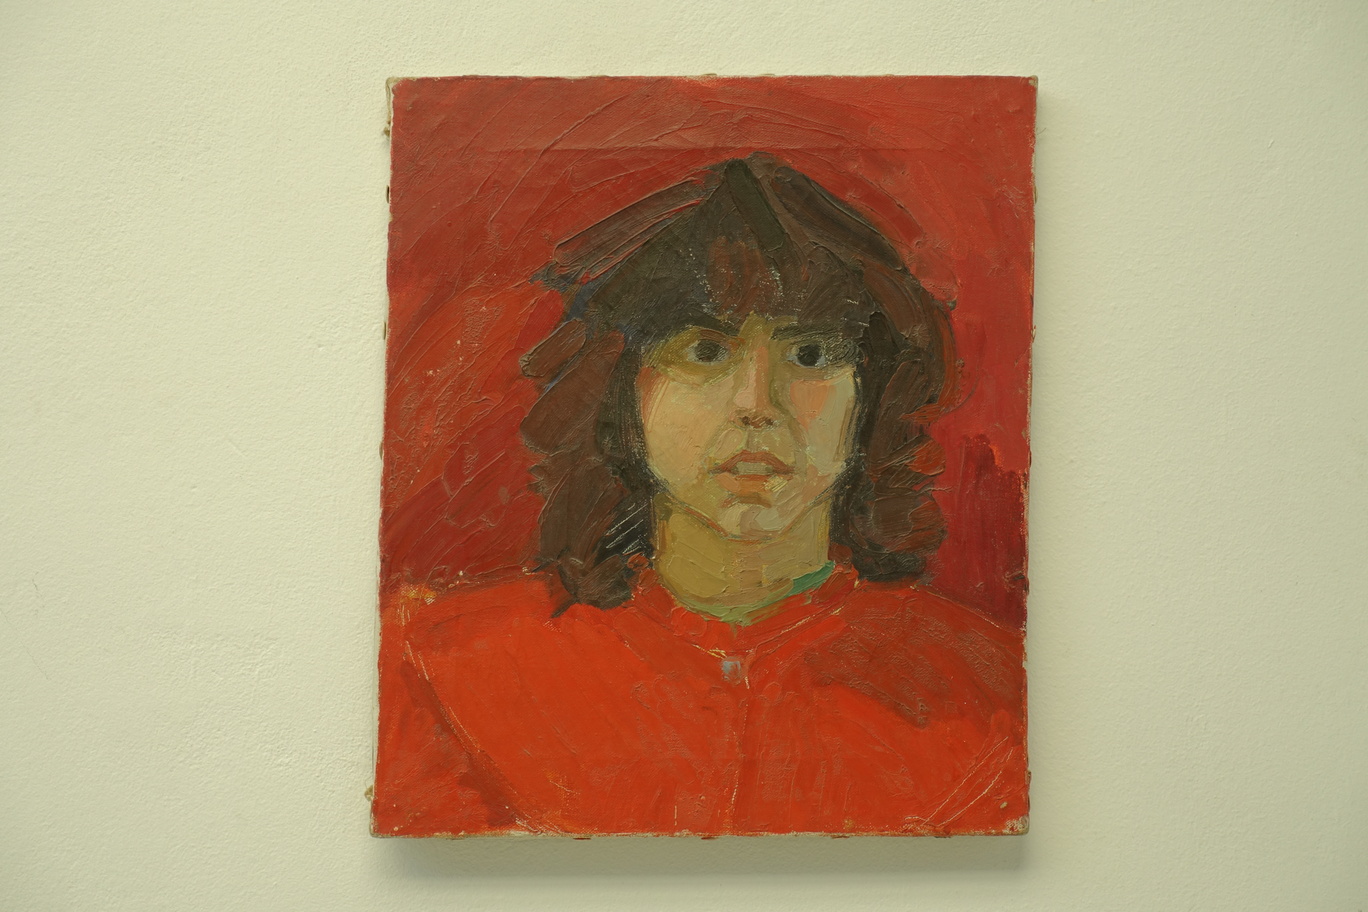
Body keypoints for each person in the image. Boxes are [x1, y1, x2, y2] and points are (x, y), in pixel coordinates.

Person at [372, 154, 1027, 836]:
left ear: (872, 394)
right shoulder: (444, 671)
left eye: (809, 355)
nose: (757, 406)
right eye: (705, 352)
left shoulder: (993, 697)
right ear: (622, 391)